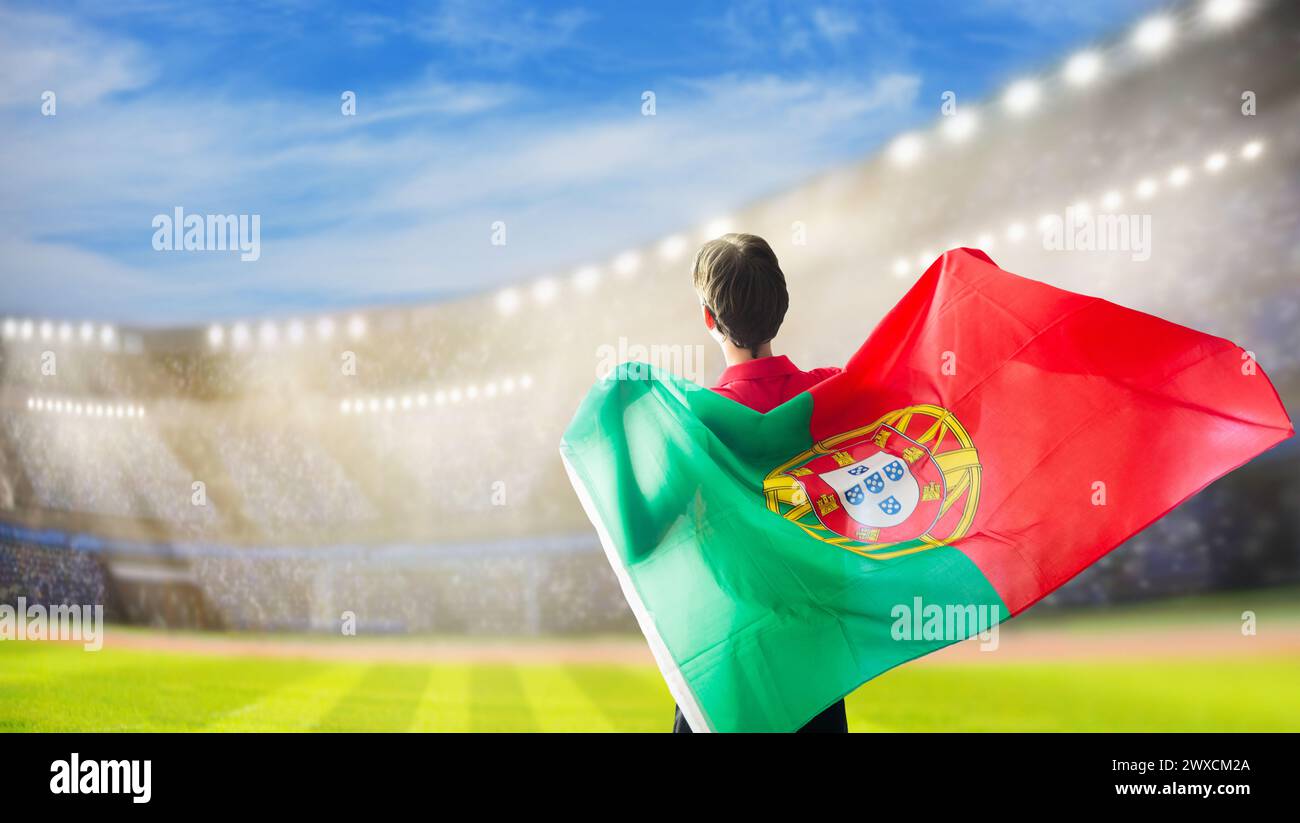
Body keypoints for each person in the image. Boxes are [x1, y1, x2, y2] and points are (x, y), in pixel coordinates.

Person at [672, 232, 847, 733]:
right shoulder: (833, 393)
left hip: (729, 658)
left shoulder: (693, 423)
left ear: (708, 318)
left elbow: (641, 536)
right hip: (816, 660)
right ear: (782, 306)